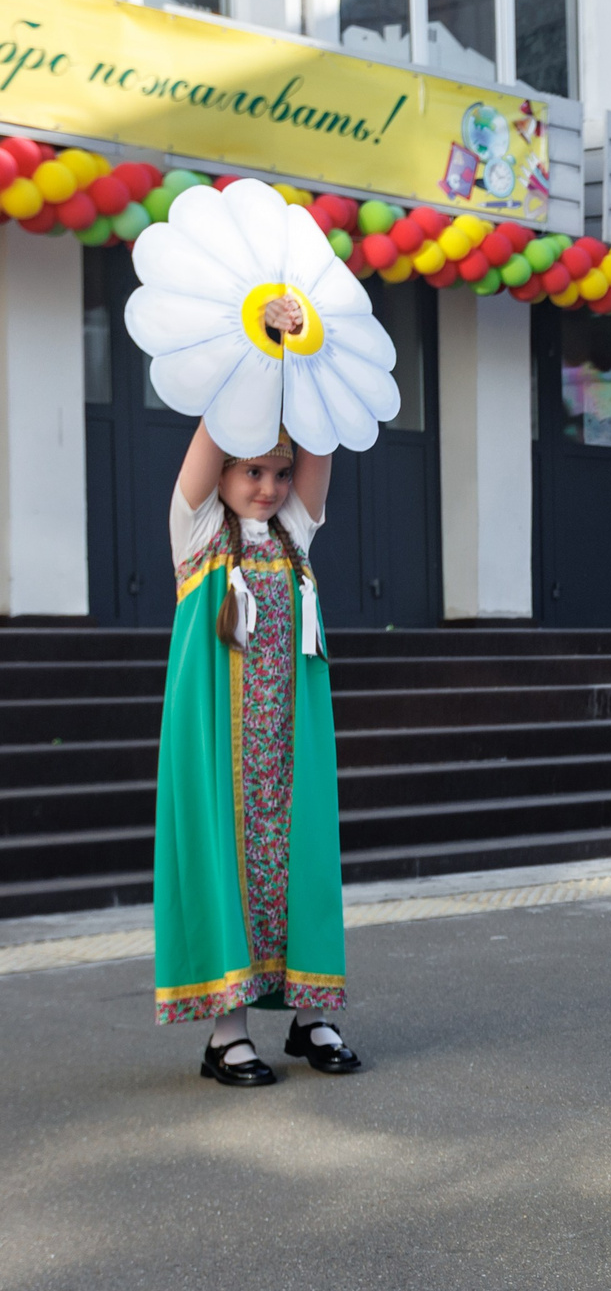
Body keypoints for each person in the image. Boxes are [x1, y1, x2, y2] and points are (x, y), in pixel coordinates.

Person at [154, 406, 359, 1086]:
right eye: (252, 472)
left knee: (301, 868)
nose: (268, 487)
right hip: (225, 752)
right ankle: (228, 1033)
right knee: (226, 868)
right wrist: (253, 357)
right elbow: (204, 448)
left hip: (289, 751)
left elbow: (319, 454)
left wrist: (307, 366)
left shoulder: (292, 535)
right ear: (226, 473)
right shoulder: (200, 533)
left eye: (279, 472)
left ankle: (311, 1015)